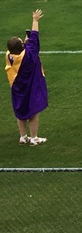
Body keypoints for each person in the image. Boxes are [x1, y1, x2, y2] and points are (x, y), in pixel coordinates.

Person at [6, 9, 47, 145]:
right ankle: (34, 138)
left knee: (20, 111)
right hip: (31, 86)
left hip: (18, 88)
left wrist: (24, 43)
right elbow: (34, 36)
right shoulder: (29, 55)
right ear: (22, 47)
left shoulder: (9, 56)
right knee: (33, 111)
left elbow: (20, 50)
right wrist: (35, 20)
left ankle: (23, 137)